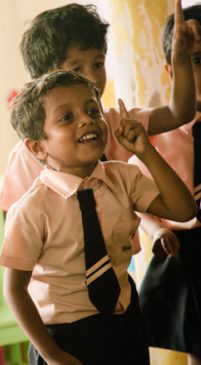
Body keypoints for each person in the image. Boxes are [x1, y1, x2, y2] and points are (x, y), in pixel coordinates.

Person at [0, 70, 197, 365]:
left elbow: (184, 210)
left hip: (125, 323)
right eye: (66, 117)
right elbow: (14, 290)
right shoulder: (31, 210)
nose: (87, 120)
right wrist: (52, 355)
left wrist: (146, 153)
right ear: (38, 147)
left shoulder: (123, 178)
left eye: (93, 110)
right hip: (64, 337)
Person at [0, 0, 197, 213]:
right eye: (76, 68)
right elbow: (12, 216)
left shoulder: (115, 124)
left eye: (98, 64)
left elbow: (179, 113)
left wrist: (181, 60)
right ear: (46, 81)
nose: (92, 77)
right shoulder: (30, 154)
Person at [130, 4, 201, 364]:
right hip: (185, 253)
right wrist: (156, 231)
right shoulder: (158, 138)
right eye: (197, 60)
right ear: (172, 70)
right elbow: (135, 199)